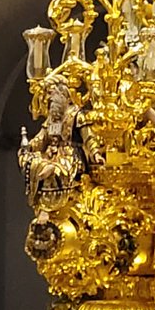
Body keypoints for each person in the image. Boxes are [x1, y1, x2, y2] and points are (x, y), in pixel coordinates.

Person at [19, 79, 103, 222]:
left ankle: (47, 206)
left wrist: (95, 153)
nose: (50, 99)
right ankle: (41, 205)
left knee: (55, 170)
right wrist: (30, 147)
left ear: (65, 96)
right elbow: (41, 137)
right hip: (52, 154)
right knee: (32, 161)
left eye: (54, 95)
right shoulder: (53, 118)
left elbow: (88, 137)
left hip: (71, 156)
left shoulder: (77, 115)